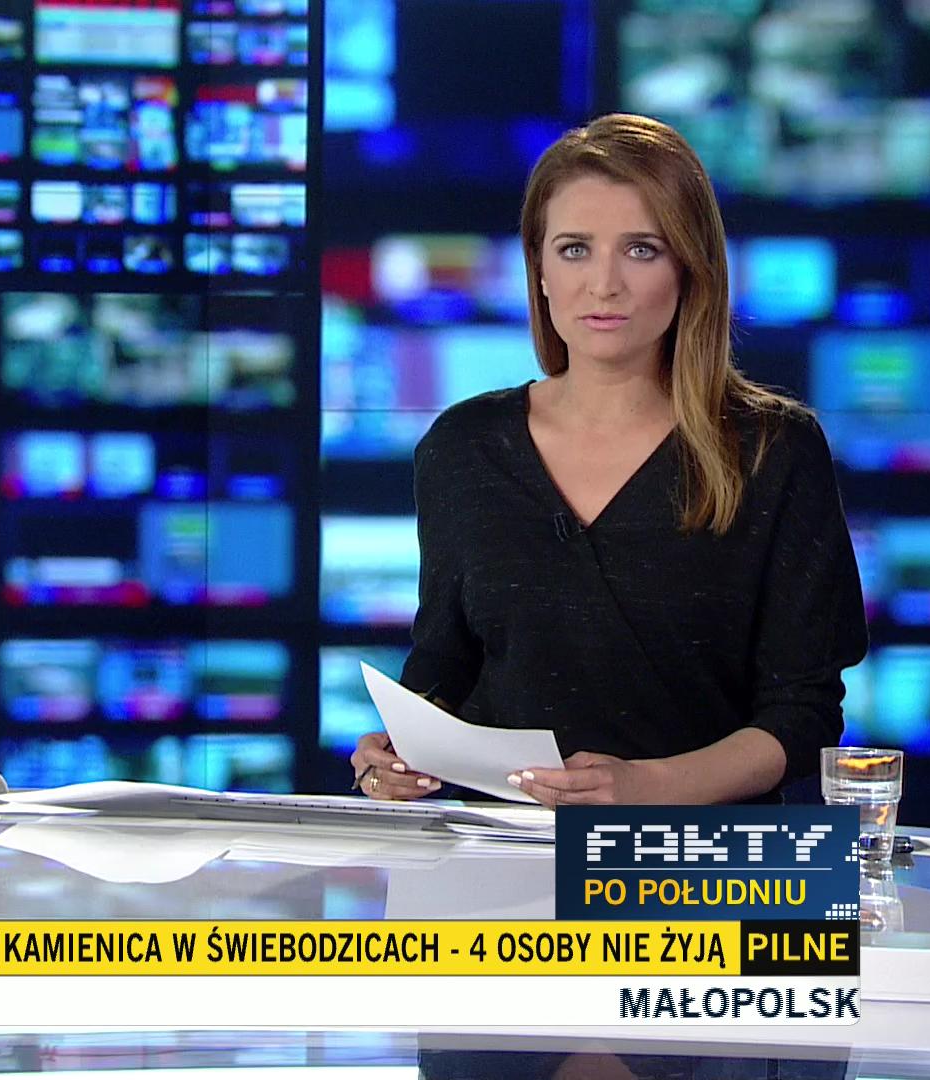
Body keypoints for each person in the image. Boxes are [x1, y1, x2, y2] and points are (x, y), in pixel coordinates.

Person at [349, 114, 868, 807]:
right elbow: (443, 668)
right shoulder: (462, 447)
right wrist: (393, 753)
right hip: (503, 853)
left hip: (695, 856)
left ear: (690, 268)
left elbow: (803, 715)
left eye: (641, 250)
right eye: (574, 250)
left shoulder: (774, 449)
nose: (604, 284)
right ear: (538, 271)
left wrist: (648, 786)